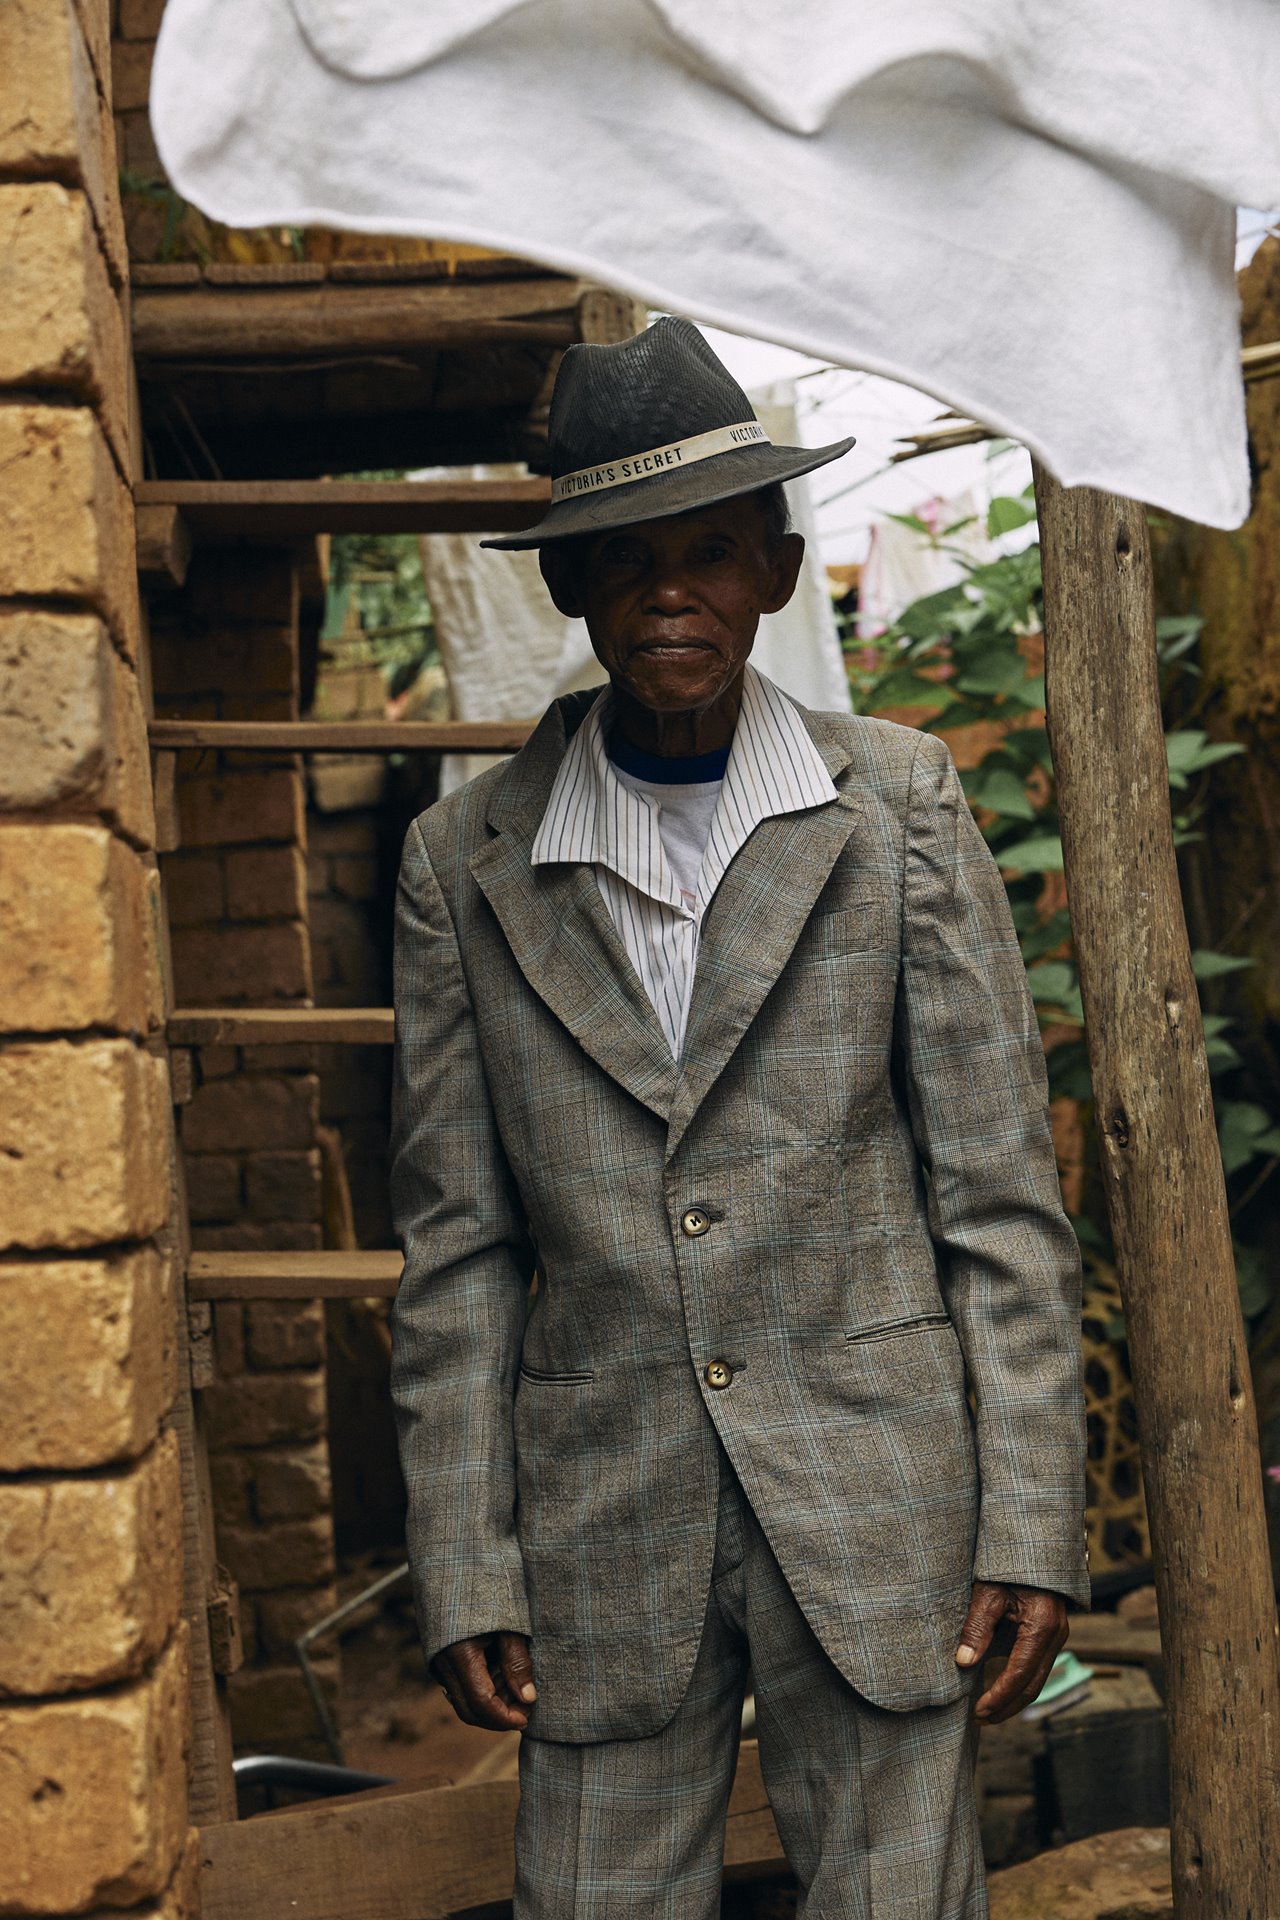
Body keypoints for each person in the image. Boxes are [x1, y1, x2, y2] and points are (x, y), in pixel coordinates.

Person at [389, 317, 1087, 1919]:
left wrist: (1031, 1517)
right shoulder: (464, 861)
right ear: (568, 589)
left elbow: (997, 1199)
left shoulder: (894, 806)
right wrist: (468, 1552)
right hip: (599, 1509)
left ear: (776, 572)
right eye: (624, 561)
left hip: (881, 1497)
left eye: (709, 554)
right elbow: (458, 1248)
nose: (668, 594)